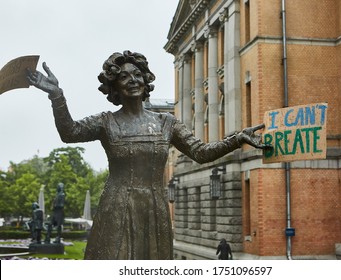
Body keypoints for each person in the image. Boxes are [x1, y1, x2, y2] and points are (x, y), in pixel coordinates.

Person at [27, 50, 270, 260]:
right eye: (123, 76)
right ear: (114, 87)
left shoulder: (167, 123)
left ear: (146, 80)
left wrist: (237, 139)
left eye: (137, 75)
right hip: (116, 208)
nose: (132, 80)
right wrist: (56, 96)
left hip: (155, 210)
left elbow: (200, 152)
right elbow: (70, 132)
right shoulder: (106, 122)